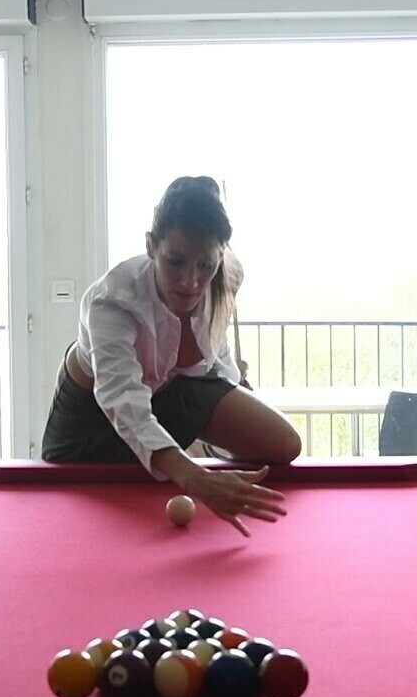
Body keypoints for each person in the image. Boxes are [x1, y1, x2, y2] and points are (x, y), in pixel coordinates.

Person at [43, 176, 301, 534]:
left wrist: (236, 386)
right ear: (151, 246)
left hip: (172, 396)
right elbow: (122, 400)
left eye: (205, 265)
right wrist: (198, 479)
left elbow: (217, 357)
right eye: (176, 261)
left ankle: (193, 451)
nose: (190, 281)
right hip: (89, 426)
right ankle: (185, 455)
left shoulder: (222, 285)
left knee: (284, 444)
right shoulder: (112, 300)